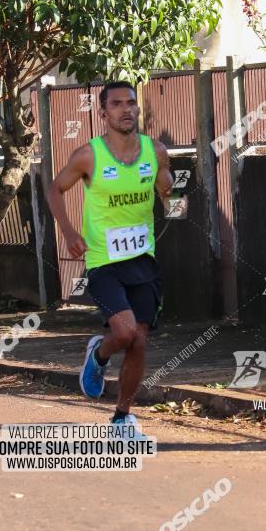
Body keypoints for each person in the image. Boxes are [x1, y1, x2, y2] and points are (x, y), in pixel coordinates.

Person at [47, 80, 174, 437]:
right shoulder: (90, 155)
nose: (126, 109)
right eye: (116, 104)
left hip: (143, 258)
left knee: (139, 340)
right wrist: (71, 234)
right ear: (103, 114)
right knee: (124, 331)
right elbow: (55, 188)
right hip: (103, 261)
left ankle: (122, 418)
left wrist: (170, 195)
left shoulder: (156, 150)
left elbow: (166, 189)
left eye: (131, 103)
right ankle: (99, 355)